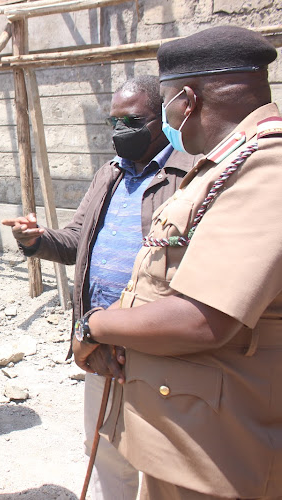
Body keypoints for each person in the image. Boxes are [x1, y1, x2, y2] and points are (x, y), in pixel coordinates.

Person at [72, 26, 282, 499]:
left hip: (219, 454)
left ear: (185, 101)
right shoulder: (225, 163)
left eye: (165, 101)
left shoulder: (267, 168)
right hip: (186, 432)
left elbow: (204, 320)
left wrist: (97, 326)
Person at [3, 75, 195, 500]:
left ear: (161, 118)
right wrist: (35, 240)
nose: (120, 130)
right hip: (99, 341)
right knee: (106, 446)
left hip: (156, 346)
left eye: (133, 120)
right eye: (114, 120)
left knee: (165, 454)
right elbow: (74, 242)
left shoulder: (189, 174)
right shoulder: (108, 175)